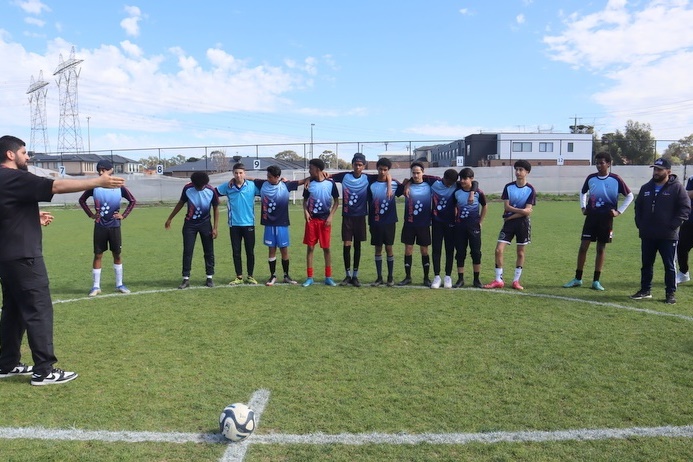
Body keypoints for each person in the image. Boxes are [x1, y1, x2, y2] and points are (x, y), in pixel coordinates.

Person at [0, 135, 124, 385]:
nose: (28, 157)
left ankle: (7, 363)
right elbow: (55, 186)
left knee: (13, 310)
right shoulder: (13, 176)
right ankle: (44, 371)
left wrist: (33, 217)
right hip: (24, 257)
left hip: (7, 257)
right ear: (10, 154)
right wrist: (98, 181)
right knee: (38, 308)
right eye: (24, 153)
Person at [563, 152, 633, 291]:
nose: (599, 165)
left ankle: (596, 281)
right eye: (597, 163)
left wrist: (619, 211)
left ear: (608, 164)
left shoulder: (616, 179)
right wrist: (583, 207)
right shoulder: (591, 178)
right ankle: (578, 278)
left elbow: (630, 196)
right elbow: (583, 192)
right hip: (591, 218)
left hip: (606, 220)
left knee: (601, 248)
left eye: (602, 163)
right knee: (583, 247)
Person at [631, 157, 690, 304]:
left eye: (659, 169)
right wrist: (640, 223)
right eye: (655, 169)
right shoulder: (646, 188)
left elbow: (685, 207)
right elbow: (638, 206)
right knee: (646, 264)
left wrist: (674, 225)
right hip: (648, 234)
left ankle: (670, 293)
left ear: (668, 171)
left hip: (668, 235)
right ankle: (645, 290)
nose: (656, 172)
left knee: (669, 266)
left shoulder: (677, 188)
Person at [79, 159, 137, 297]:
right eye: (99, 170)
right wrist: (91, 215)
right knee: (98, 254)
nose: (100, 172)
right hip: (99, 225)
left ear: (110, 170)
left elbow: (132, 201)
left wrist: (123, 215)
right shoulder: (94, 186)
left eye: (103, 169)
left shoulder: (119, 186)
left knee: (117, 254)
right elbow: (82, 200)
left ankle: (119, 284)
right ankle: (96, 286)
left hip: (114, 226)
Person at [484, 160, 536, 291]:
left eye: (521, 170)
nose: (518, 172)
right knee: (498, 250)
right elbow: (507, 206)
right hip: (509, 224)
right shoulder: (508, 187)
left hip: (522, 224)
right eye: (516, 169)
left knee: (520, 252)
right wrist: (521, 211)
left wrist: (513, 215)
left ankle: (516, 281)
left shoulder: (530, 189)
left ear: (527, 172)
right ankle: (498, 280)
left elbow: (527, 212)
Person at [330, 153, 379, 287]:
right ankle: (347, 275)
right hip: (347, 217)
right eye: (355, 164)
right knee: (347, 244)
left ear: (364, 166)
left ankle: (355, 276)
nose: (357, 167)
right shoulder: (344, 176)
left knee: (358, 245)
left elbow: (385, 175)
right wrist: (307, 180)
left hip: (360, 217)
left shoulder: (368, 178)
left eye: (360, 165)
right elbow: (325, 175)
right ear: (352, 165)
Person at [164, 171, 219, 289]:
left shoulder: (211, 190)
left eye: (201, 186)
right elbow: (180, 203)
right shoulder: (187, 188)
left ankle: (209, 277)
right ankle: (186, 279)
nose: (199, 188)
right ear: (193, 183)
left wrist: (215, 227)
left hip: (205, 224)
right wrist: (170, 218)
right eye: (197, 186)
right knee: (187, 251)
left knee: (209, 251)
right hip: (190, 225)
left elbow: (215, 208)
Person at [253, 165, 302, 286]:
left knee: (284, 250)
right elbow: (249, 179)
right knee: (271, 249)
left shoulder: (286, 185)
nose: (267, 178)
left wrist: (321, 175)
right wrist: (236, 178)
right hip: (269, 224)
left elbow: (303, 181)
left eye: (270, 177)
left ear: (277, 177)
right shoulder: (263, 184)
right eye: (267, 176)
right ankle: (272, 276)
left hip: (282, 224)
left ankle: (286, 275)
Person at [216, 163, 259, 285]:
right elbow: (213, 192)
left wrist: (251, 178)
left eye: (240, 173)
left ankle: (250, 276)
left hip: (249, 223)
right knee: (236, 251)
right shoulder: (227, 186)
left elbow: (267, 185)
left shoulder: (252, 186)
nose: (238, 175)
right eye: (236, 173)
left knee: (250, 251)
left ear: (244, 173)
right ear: (233, 174)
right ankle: (239, 276)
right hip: (234, 224)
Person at [302, 158, 339, 287]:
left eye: (310, 168)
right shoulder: (309, 183)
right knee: (310, 248)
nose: (309, 170)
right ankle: (309, 277)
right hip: (312, 220)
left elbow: (336, 201)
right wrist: (306, 212)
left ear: (317, 169)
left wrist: (331, 216)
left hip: (325, 221)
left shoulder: (330, 183)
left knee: (326, 248)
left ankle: (328, 277)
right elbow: (305, 201)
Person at [368, 158, 404, 287]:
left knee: (389, 248)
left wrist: (392, 184)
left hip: (389, 222)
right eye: (380, 169)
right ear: (377, 168)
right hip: (375, 222)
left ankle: (390, 277)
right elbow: (369, 203)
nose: (383, 172)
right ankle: (379, 278)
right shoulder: (371, 184)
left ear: (388, 171)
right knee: (378, 249)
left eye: (385, 170)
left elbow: (404, 186)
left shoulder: (394, 184)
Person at [398, 162, 433, 287]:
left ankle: (426, 278)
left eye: (418, 172)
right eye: (414, 173)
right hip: (409, 223)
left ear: (423, 172)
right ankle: (408, 277)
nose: (416, 175)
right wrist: (406, 183)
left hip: (423, 224)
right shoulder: (407, 186)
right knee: (408, 250)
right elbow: (397, 190)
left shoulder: (430, 185)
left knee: (424, 251)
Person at [453, 168, 487, 288]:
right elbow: (454, 206)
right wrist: (456, 218)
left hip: (474, 227)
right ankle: (460, 279)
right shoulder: (456, 192)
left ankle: (476, 280)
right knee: (460, 253)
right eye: (461, 178)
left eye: (465, 178)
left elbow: (485, 206)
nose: (462, 181)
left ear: (471, 179)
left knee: (476, 253)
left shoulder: (479, 192)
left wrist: (480, 221)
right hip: (460, 227)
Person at [675, 175, 693, 284]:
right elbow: (688, 195)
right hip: (689, 220)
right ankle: (683, 273)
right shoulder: (692, 178)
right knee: (682, 247)